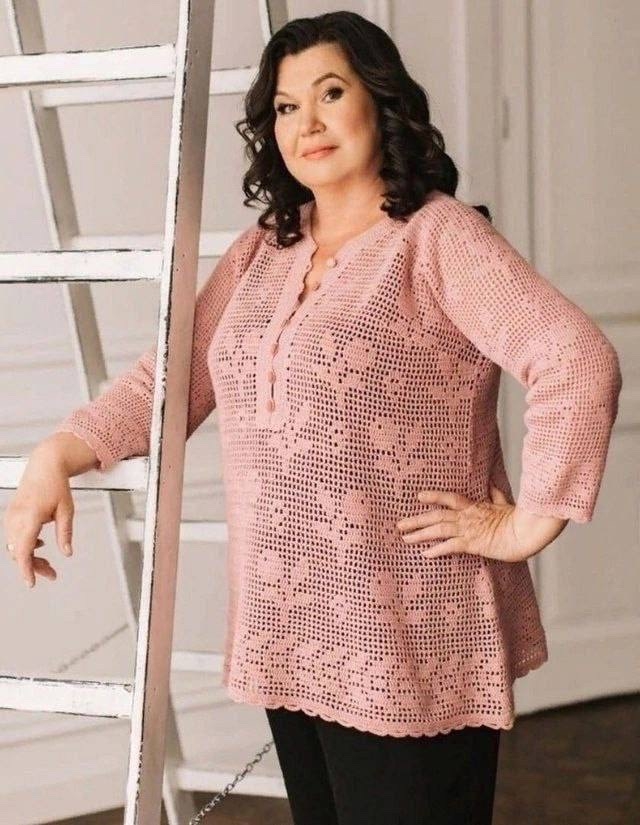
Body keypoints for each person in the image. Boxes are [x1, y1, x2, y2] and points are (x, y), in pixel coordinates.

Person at [3, 11, 622, 825]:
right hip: (290, 625)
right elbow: (172, 380)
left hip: (404, 628)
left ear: (381, 100)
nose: (308, 123)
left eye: (330, 93)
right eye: (287, 107)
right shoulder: (266, 248)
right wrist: (60, 451)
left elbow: (576, 356)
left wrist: (529, 521)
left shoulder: (437, 237)